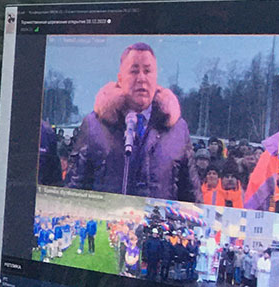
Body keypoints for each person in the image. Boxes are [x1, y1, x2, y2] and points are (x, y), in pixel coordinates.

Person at [66, 43, 193, 200]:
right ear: (120, 79)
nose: (141, 78)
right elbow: (73, 192)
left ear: (156, 78)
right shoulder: (94, 125)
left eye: (147, 71)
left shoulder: (178, 129)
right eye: (134, 71)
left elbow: (191, 196)